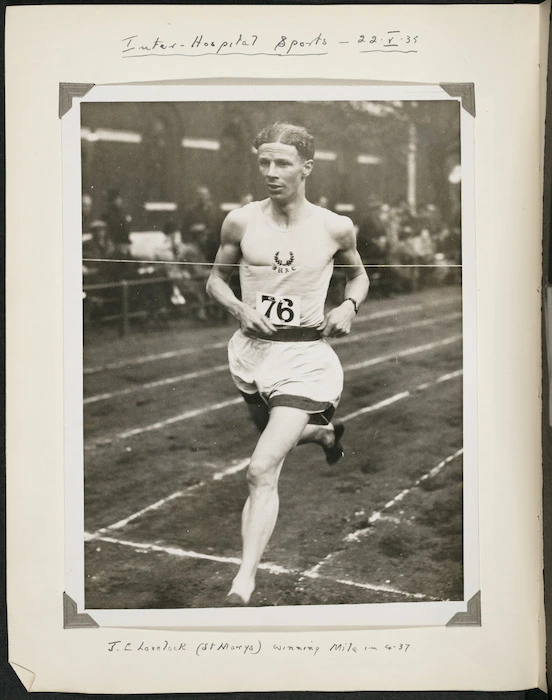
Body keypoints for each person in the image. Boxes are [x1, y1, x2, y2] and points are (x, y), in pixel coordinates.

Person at [206, 122, 369, 605]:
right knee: (276, 439)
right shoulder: (239, 222)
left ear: (306, 168)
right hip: (251, 355)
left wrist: (347, 307)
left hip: (305, 359)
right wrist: (239, 308)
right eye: (264, 163)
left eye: (282, 163)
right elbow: (216, 280)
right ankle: (320, 433)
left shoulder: (334, 227)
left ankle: (243, 582)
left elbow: (358, 278)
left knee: (261, 469)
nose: (272, 173)